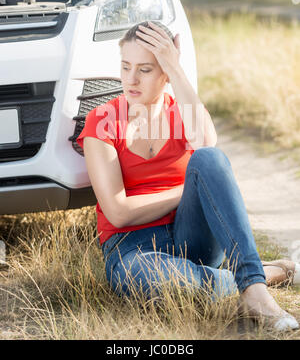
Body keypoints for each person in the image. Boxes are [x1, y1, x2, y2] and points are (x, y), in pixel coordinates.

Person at [76, 20, 300, 332]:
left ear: (165, 73)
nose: (131, 79)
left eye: (146, 69)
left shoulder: (182, 111)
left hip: (192, 235)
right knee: (167, 283)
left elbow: (207, 146)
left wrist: (176, 68)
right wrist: (187, 190)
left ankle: (255, 291)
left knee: (208, 158)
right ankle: (265, 273)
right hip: (132, 249)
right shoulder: (102, 121)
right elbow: (119, 212)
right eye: (126, 67)